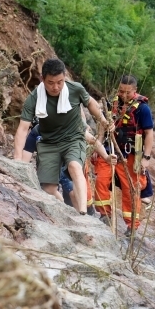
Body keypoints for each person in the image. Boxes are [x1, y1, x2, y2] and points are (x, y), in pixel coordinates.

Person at [13, 58, 107, 214]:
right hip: (49, 142)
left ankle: (82, 212)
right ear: (42, 79)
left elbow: (90, 103)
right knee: (48, 188)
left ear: (65, 77)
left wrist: (103, 120)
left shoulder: (75, 89)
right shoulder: (35, 97)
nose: (56, 87)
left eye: (60, 82)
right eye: (50, 83)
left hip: (73, 139)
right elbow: (23, 128)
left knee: (75, 165)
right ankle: (64, 211)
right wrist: (17, 159)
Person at [94, 75, 155, 230]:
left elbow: (149, 134)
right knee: (101, 179)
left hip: (130, 154)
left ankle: (132, 226)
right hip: (110, 150)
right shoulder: (113, 104)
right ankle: (104, 215)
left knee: (131, 190)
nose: (124, 95)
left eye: (128, 92)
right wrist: (98, 145)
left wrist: (146, 158)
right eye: (121, 91)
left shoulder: (142, 109)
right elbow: (102, 127)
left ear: (135, 91)